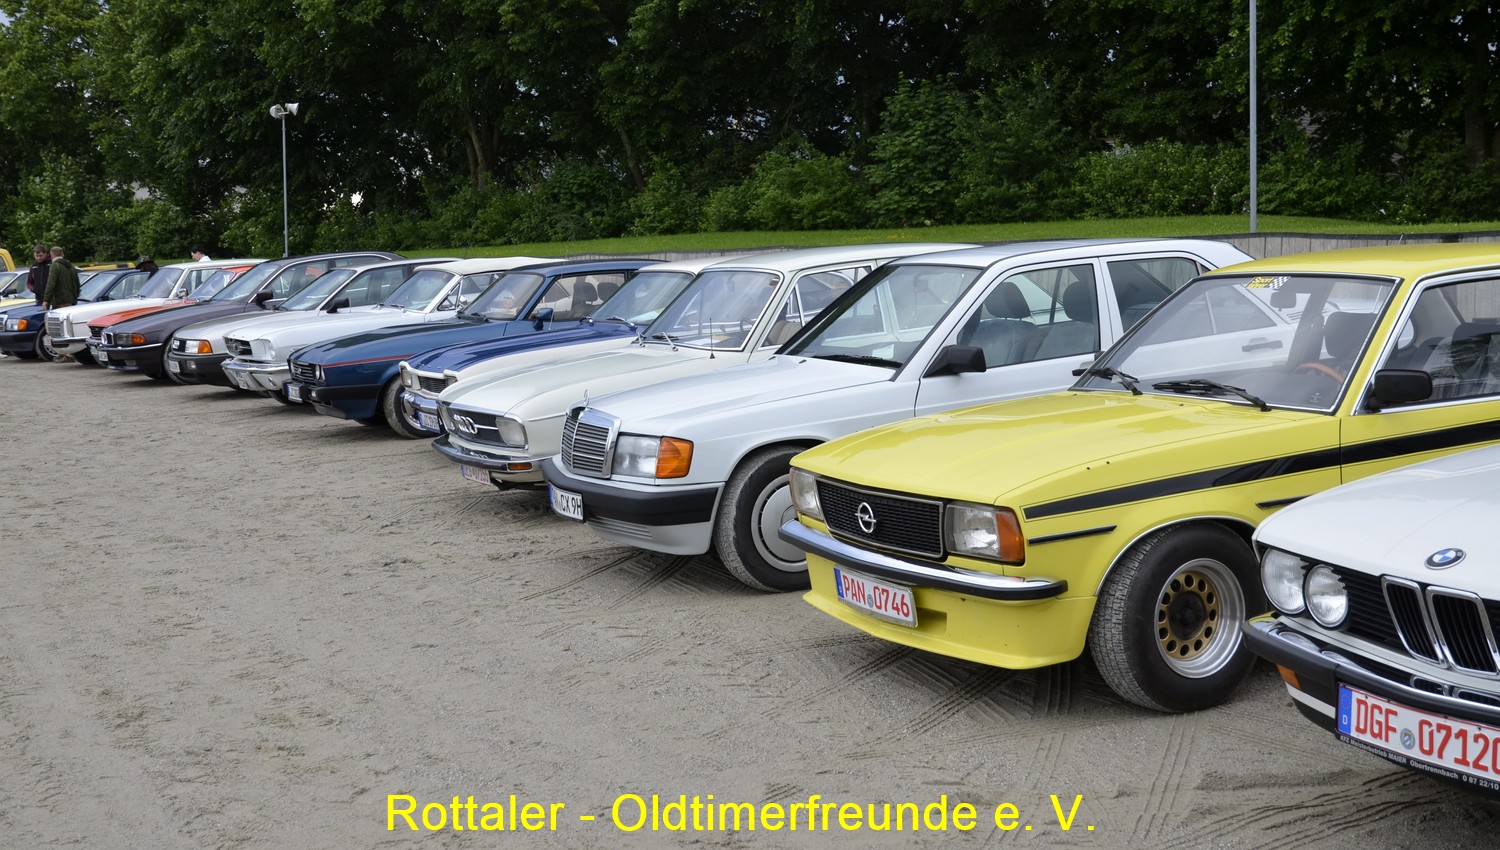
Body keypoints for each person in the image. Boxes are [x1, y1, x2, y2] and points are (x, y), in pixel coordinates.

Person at [42, 246, 81, 362]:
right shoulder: (70, 266)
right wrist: (74, 297)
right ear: (62, 254)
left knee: (59, 329)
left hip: (59, 301)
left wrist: (46, 300)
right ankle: (68, 353)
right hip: (70, 301)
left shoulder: (55, 266)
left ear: (51, 255)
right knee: (68, 328)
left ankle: (65, 354)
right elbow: (77, 283)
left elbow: (51, 283)